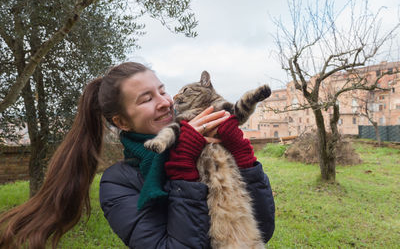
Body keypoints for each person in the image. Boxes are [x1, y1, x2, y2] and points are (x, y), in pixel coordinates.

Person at [0, 62, 275, 249]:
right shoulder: (117, 183)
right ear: (122, 122)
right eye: (146, 99)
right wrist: (183, 169)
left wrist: (244, 157)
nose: (166, 102)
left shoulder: (210, 144)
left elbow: (262, 227)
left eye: (163, 91)